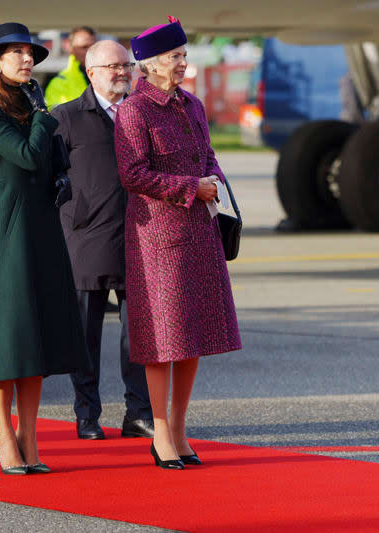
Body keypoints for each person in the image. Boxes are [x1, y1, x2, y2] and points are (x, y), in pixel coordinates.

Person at [114, 17, 241, 470]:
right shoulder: (134, 111)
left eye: (184, 55)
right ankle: (161, 434)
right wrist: (193, 186)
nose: (184, 63)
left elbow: (209, 154)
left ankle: (181, 429)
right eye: (175, 57)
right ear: (149, 65)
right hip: (157, 240)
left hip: (199, 232)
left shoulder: (193, 106)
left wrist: (217, 185)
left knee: (195, 335)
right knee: (163, 340)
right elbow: (133, 175)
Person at [0, 22, 90, 475]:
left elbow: (54, 160)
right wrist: (44, 117)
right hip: (9, 228)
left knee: (35, 337)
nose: (26, 59)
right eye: (14, 52)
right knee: (9, 338)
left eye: (29, 52)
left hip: (42, 225)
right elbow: (24, 156)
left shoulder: (30, 103)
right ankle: (3, 434)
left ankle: (29, 438)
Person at [52, 40, 154, 441]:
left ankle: (139, 413)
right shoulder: (68, 118)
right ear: (91, 72)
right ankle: (87, 415)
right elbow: (48, 178)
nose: (121, 72)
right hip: (86, 242)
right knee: (85, 337)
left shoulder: (141, 114)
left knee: (140, 338)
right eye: (111, 66)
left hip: (140, 242)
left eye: (125, 65)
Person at [45, 26, 96, 109]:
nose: (90, 50)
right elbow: (57, 116)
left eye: (93, 46)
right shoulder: (58, 83)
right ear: (71, 49)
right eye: (84, 47)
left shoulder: (111, 75)